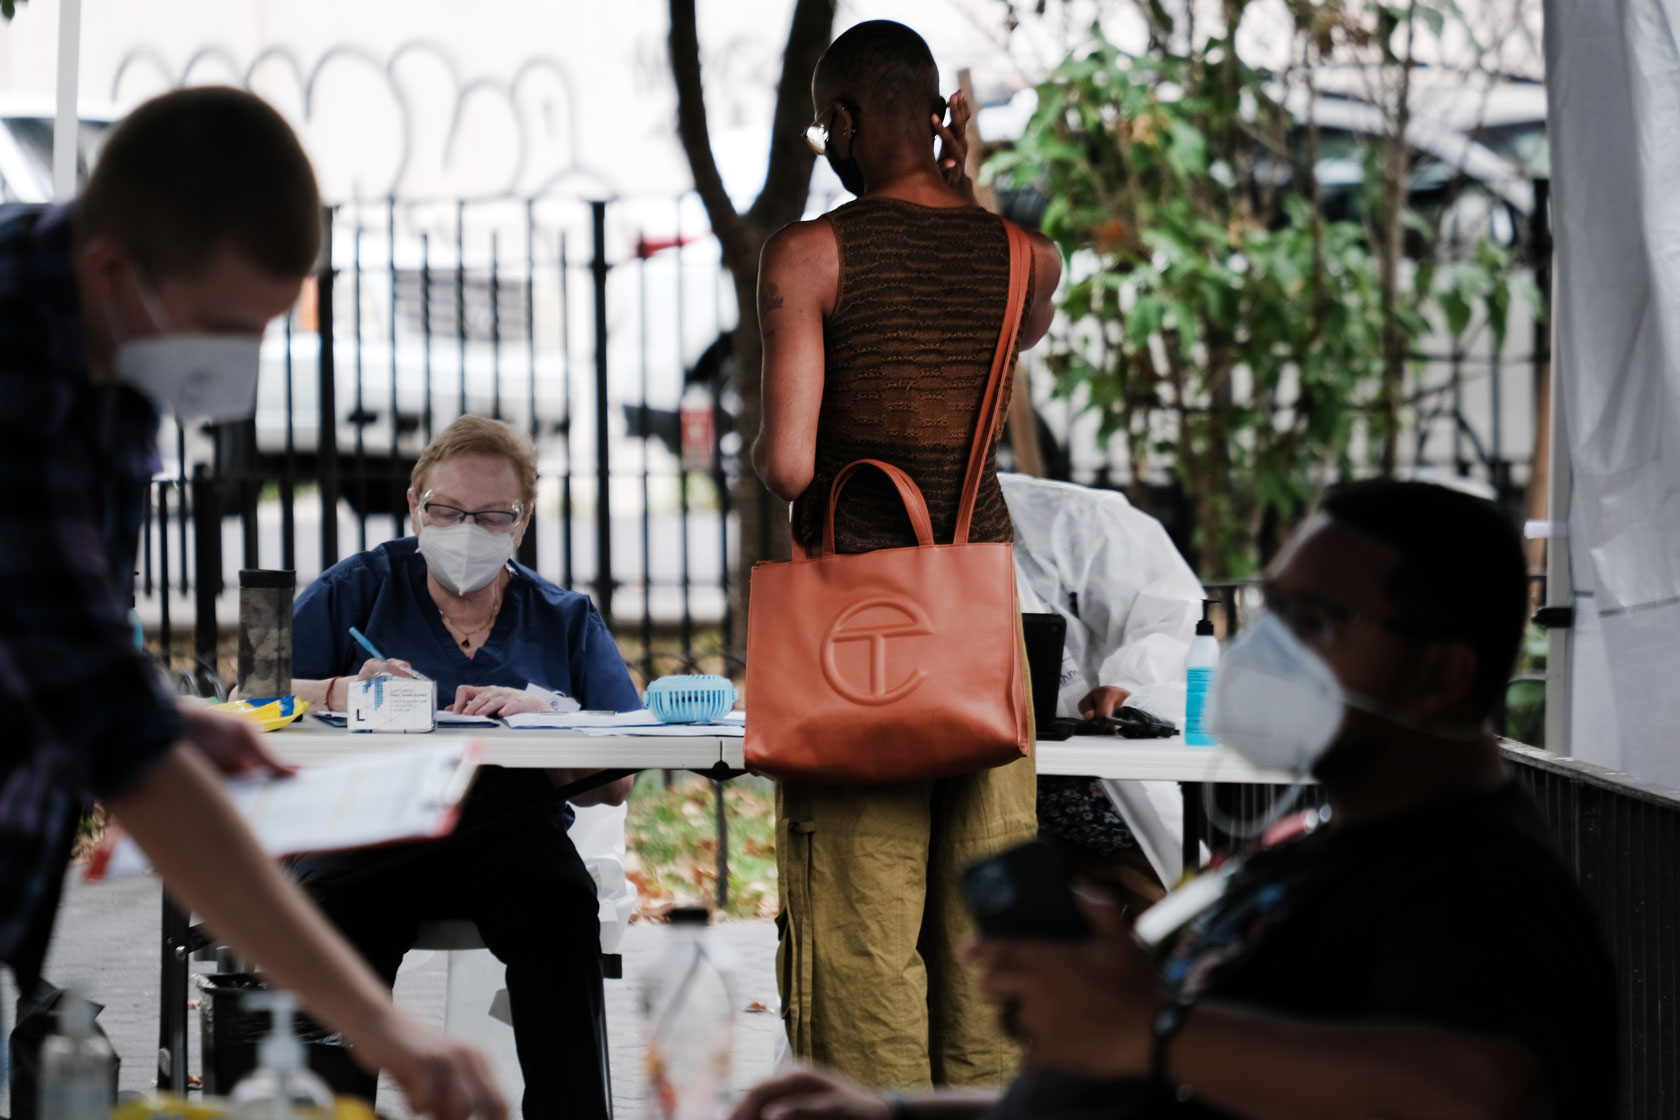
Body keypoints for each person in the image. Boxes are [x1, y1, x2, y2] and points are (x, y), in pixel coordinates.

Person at [731, 480, 1618, 1120]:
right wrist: (894, 1113)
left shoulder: (1480, 887)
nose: (1268, 651)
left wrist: (1151, 1028)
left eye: (1314, 622)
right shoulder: (1304, 851)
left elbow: (1476, 1090)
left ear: (1441, 673)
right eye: (1273, 613)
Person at [0, 87, 504, 1119]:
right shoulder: (14, 371)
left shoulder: (115, 341)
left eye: (266, 329)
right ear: (113, 272)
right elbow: (127, 756)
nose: (243, 365)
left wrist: (169, 712)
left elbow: (59, 629)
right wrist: (388, 1029)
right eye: (228, 327)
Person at [751, 19, 1062, 1090]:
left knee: (858, 940)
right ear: (937, 116)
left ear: (839, 123)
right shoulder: (1029, 259)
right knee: (988, 941)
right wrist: (961, 186)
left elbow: (791, 466)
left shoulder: (809, 253)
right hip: (983, 637)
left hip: (859, 641)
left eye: (820, 129)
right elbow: (987, 318)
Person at [286, 414, 638, 1120]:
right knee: (328, 920)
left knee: (562, 912)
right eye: (446, 510)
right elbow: (250, 698)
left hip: (507, 828)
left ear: (522, 521)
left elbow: (619, 776)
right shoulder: (358, 591)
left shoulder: (562, 617)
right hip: (370, 825)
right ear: (414, 506)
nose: (466, 528)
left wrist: (547, 712)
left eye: (490, 515)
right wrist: (338, 691)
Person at [1000, 473, 1205, 913]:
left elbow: (1173, 612)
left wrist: (1128, 680)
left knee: (1149, 885)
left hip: (1090, 768)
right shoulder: (873, 522)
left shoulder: (1063, 514)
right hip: (993, 777)